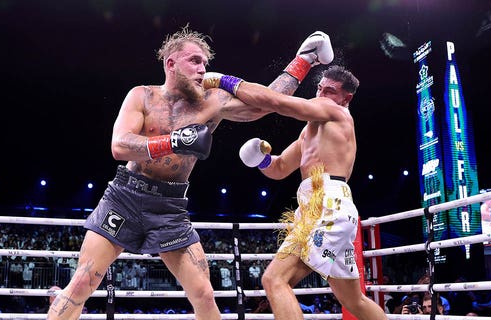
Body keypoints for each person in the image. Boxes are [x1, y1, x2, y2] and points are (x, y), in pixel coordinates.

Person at [46, 25, 333, 320]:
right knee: (83, 282)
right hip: (125, 197)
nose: (203, 69)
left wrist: (304, 60)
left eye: (204, 63)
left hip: (170, 207)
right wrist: (172, 142)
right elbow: (120, 146)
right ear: (171, 64)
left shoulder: (212, 101)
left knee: (204, 295)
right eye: (194, 61)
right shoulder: (142, 96)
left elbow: (265, 103)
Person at [202, 66, 386, 320]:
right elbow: (279, 168)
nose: (321, 94)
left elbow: (277, 101)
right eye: (320, 88)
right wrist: (260, 159)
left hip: (327, 204)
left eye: (329, 91)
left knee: (275, 280)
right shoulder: (310, 130)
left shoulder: (336, 112)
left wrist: (224, 81)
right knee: (353, 299)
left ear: (346, 98)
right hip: (320, 205)